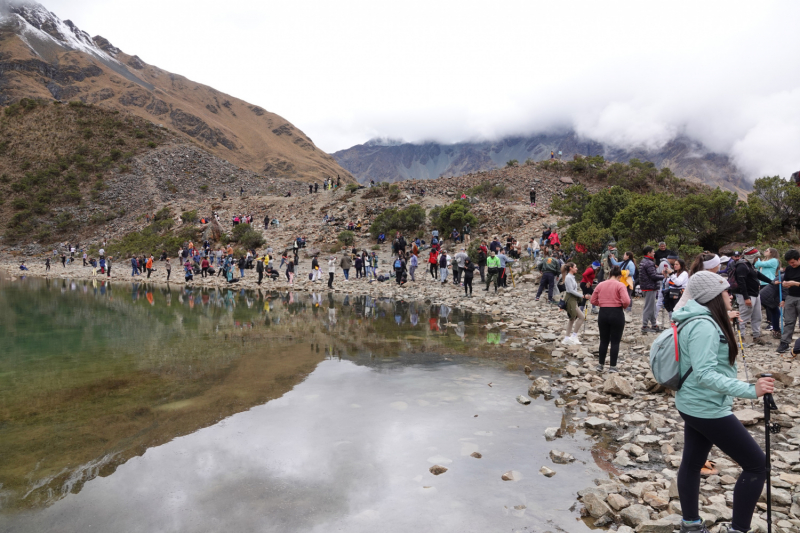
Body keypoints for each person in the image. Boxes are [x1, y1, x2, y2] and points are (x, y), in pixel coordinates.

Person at [672, 271, 774, 533]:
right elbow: (705, 374)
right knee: (757, 466)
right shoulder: (704, 326)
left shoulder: (698, 318)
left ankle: (691, 525)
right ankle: (738, 529)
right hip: (707, 407)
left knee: (692, 464)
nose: (730, 295)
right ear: (713, 297)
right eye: (726, 291)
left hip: (692, 403)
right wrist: (751, 390)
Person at [590, 265, 631, 372]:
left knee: (603, 340)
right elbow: (626, 301)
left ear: (609, 274)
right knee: (615, 341)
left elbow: (592, 300)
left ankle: (600, 365)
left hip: (603, 313)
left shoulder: (600, 284)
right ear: (619, 276)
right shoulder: (620, 285)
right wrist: (623, 306)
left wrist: (602, 304)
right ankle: (613, 366)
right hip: (617, 313)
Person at [732, 247, 771, 344]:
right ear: (751, 257)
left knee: (757, 316)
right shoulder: (742, 266)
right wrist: (746, 297)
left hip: (755, 294)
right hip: (747, 295)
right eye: (756, 257)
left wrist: (772, 282)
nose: (757, 260)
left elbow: (758, 275)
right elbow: (742, 283)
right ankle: (740, 338)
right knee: (744, 317)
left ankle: (756, 336)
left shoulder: (750, 265)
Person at [777, 249, 800, 353]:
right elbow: (785, 283)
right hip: (790, 297)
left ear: (798, 259)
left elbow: (793, 283)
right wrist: (783, 299)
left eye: (793, 262)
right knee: (789, 321)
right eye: (789, 263)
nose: (791, 264)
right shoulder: (789, 269)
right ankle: (784, 343)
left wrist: (795, 283)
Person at [561, 262, 588, 345]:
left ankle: (567, 338)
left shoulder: (572, 277)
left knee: (572, 319)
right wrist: (582, 296)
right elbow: (570, 290)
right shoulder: (568, 277)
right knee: (581, 317)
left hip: (573, 300)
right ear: (571, 268)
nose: (577, 268)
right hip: (570, 300)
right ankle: (573, 336)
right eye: (575, 267)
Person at [639, 246, 665, 333]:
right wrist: (664, 277)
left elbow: (651, 274)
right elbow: (653, 276)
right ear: (648, 253)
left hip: (647, 287)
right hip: (649, 287)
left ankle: (654, 325)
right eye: (653, 252)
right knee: (649, 307)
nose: (654, 253)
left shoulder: (644, 261)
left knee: (652, 307)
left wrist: (659, 273)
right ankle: (644, 326)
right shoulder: (649, 263)